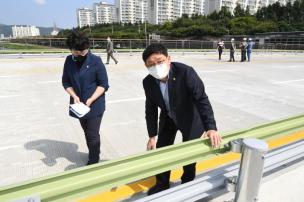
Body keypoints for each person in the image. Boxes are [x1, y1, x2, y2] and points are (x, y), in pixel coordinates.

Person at [142, 44, 221, 195]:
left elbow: (202, 99)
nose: (156, 66)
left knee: (189, 154)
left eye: (159, 61)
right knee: (162, 151)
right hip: (168, 117)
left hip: (190, 117)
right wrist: (152, 135)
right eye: (150, 64)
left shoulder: (186, 72)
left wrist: (211, 127)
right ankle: (162, 182)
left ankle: (187, 182)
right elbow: (150, 109)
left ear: (169, 59)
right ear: (146, 66)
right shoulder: (148, 82)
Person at [62, 30, 109, 165]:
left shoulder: (95, 61)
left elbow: (103, 84)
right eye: (76, 52)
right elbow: (66, 82)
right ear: (71, 50)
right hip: (79, 105)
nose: (80, 55)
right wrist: (74, 96)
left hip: (94, 104)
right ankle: (93, 152)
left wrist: (91, 99)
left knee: (92, 134)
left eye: (83, 52)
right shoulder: (68, 61)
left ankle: (93, 160)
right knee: (86, 132)